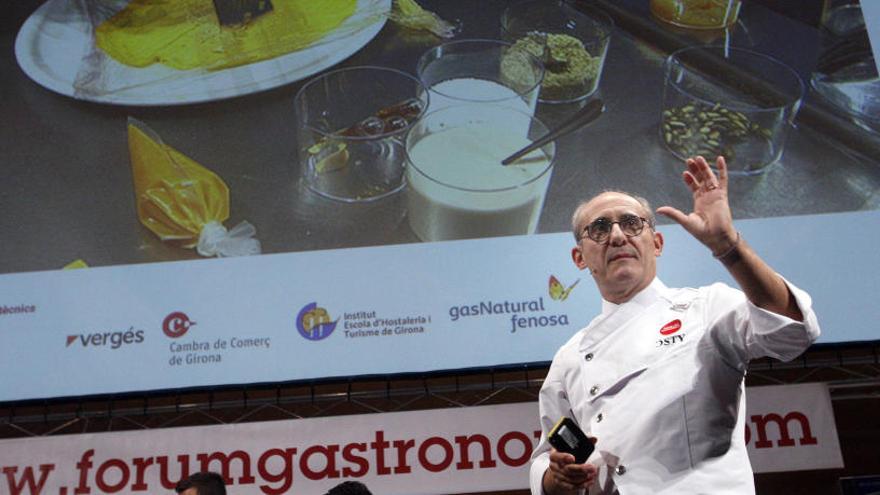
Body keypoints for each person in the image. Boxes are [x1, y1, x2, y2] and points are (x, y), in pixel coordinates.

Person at [529, 156, 820, 494]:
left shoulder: (707, 307)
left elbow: (794, 332)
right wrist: (557, 477)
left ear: (656, 243)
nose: (618, 236)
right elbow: (546, 459)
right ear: (579, 257)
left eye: (631, 223)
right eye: (600, 228)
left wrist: (728, 247)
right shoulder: (570, 358)